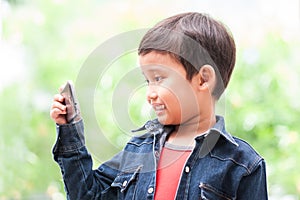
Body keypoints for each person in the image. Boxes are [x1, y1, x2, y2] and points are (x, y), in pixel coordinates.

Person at [50, 12, 268, 199]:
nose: (149, 94)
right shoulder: (138, 148)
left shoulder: (243, 165)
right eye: (148, 81)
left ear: (203, 79)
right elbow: (89, 195)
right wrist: (71, 130)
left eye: (159, 78)